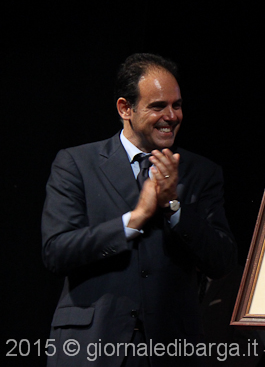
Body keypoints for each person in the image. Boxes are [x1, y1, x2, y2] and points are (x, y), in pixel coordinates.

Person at [41, 53, 237, 367]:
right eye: (158, 106)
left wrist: (174, 207)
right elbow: (57, 251)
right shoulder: (77, 163)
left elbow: (221, 260)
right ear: (125, 108)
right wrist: (134, 219)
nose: (171, 116)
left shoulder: (201, 172)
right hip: (92, 345)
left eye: (177, 105)